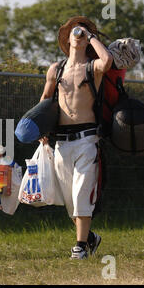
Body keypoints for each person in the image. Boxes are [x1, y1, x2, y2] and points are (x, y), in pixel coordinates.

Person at [39, 16, 113, 259]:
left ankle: (80, 247)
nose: (78, 35)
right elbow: (45, 99)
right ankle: (90, 237)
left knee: (82, 194)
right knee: (70, 199)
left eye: (82, 33)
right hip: (61, 141)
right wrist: (40, 128)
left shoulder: (93, 68)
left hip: (87, 139)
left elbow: (108, 60)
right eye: (74, 31)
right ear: (67, 38)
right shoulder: (55, 69)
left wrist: (92, 37)